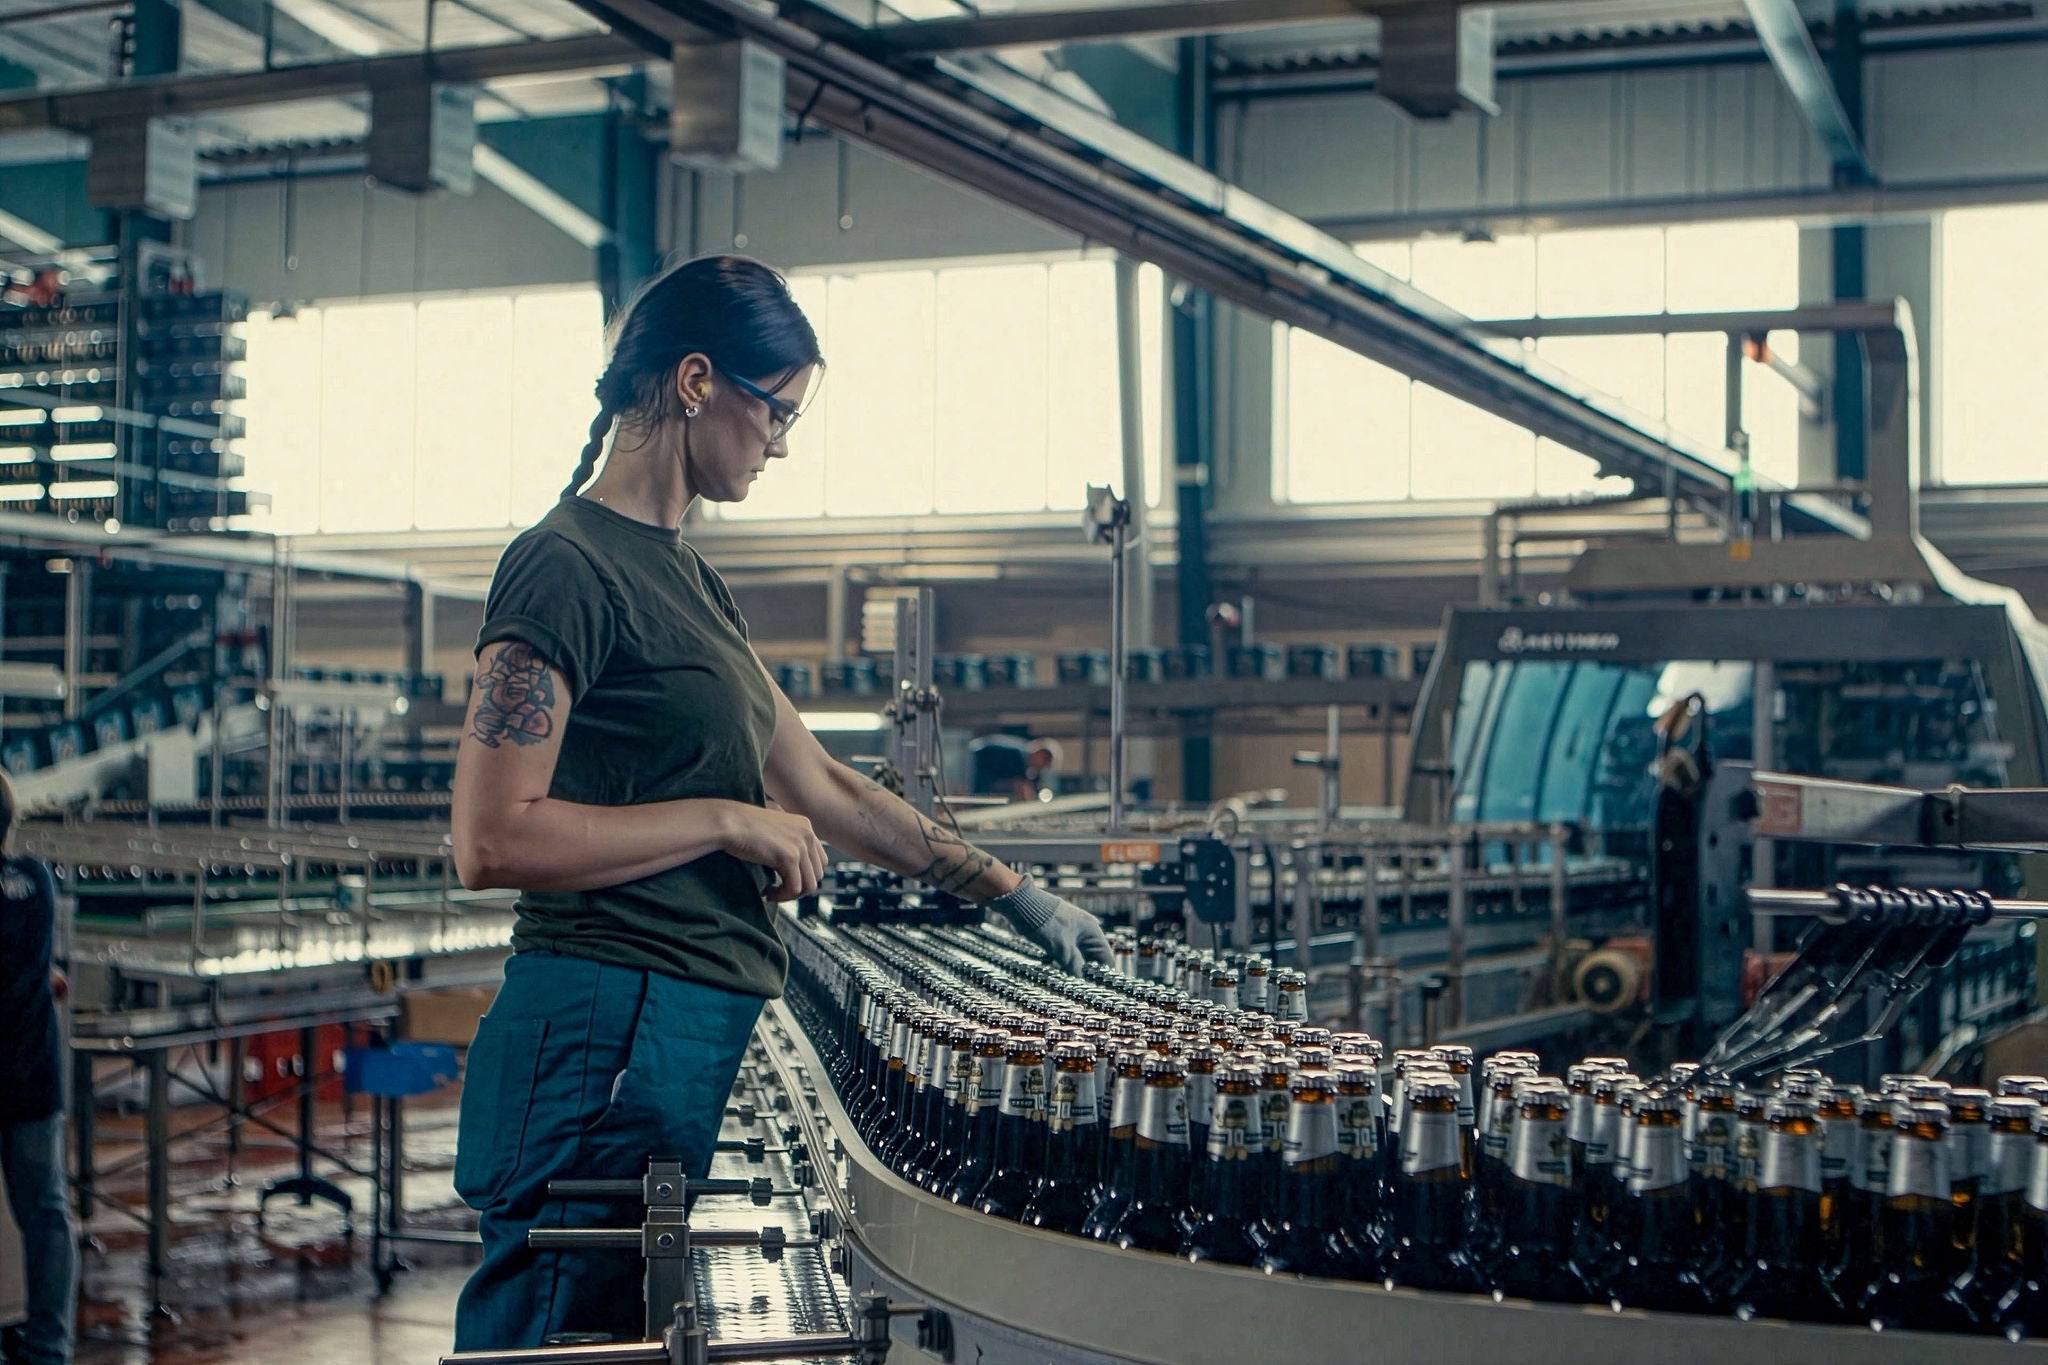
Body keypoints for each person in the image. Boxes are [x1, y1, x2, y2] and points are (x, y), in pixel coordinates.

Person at [449, 255, 1111, 1351]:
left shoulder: (687, 580)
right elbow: (490, 837)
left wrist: (1013, 893)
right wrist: (721, 819)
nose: (783, 443)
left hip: (667, 1030)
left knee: (609, 1330)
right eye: (777, 411)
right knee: (553, 1332)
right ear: (697, 382)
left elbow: (820, 787)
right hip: (601, 1027)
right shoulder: (563, 566)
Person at [0, 772, 77, 1365]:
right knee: (47, 1215)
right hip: (35, 1076)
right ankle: (49, 1347)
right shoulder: (37, 879)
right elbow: (32, 963)